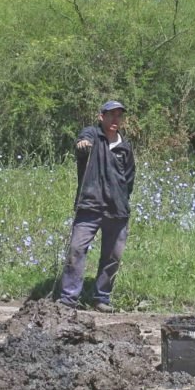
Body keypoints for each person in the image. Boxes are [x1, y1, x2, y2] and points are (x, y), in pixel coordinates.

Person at [56, 100, 136, 312]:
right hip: (90, 205)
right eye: (111, 115)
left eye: (119, 115)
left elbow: (129, 180)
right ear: (102, 117)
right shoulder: (92, 135)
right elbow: (83, 141)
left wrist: (121, 199)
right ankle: (68, 300)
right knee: (76, 250)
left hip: (117, 210)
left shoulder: (125, 148)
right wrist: (82, 144)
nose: (115, 119)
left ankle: (101, 298)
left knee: (113, 257)